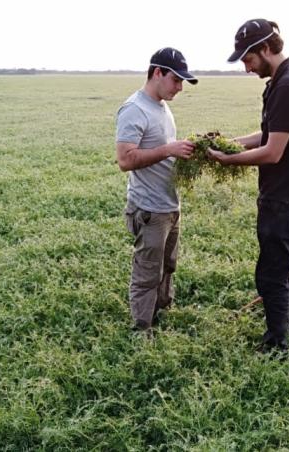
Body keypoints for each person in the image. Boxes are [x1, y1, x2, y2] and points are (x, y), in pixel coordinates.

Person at [208, 19, 289, 352]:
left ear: (264, 49)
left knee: (271, 273)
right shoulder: (282, 81)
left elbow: (273, 152)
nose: (246, 68)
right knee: (280, 264)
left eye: (247, 59)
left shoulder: (288, 85)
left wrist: (226, 160)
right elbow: (269, 135)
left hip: (287, 194)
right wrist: (231, 144)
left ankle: (277, 345)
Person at [115, 47, 198, 333]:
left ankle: (162, 310)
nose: (180, 88)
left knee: (168, 265)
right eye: (176, 80)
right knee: (148, 271)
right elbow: (125, 159)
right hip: (149, 208)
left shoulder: (162, 106)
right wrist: (168, 150)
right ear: (157, 72)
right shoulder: (134, 109)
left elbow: (163, 149)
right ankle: (142, 328)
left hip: (169, 205)